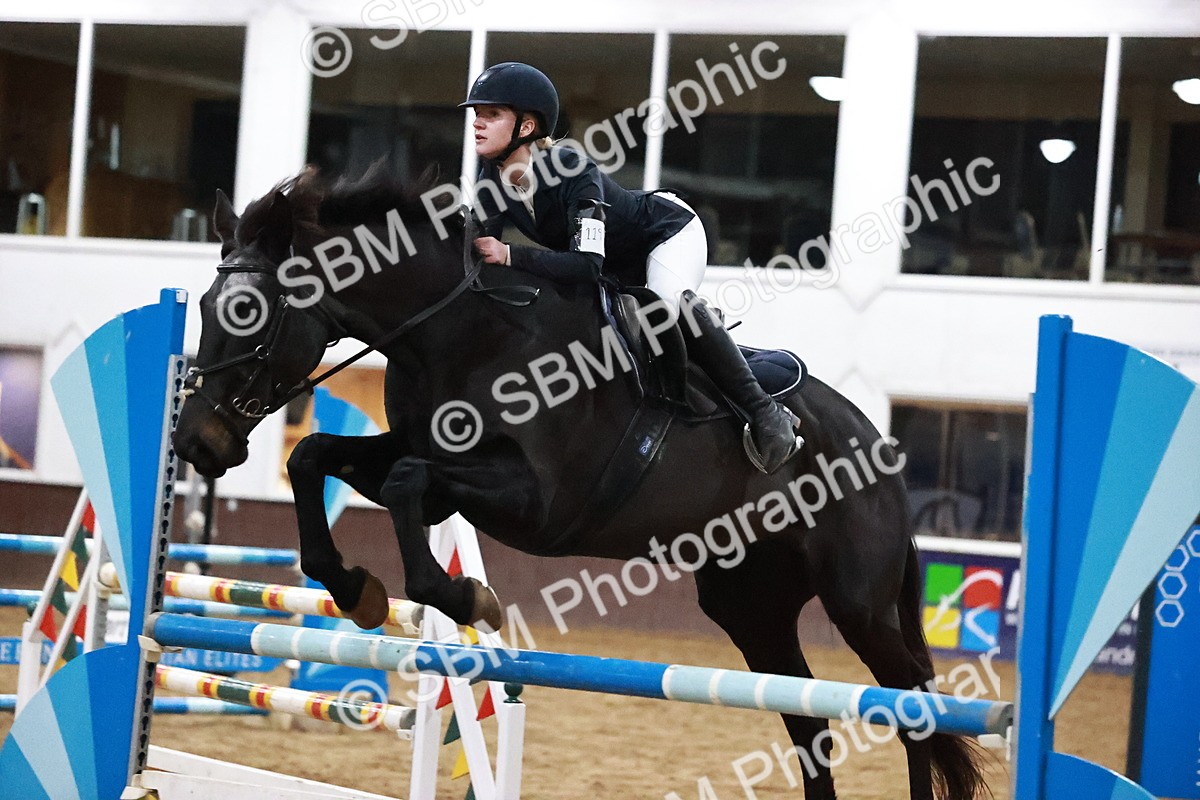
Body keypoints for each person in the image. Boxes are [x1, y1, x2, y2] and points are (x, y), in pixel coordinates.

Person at [461, 62, 801, 473]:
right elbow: (479, 255)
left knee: (667, 309)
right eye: (476, 114)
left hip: (665, 233)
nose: (477, 123)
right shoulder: (490, 178)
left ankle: (769, 417)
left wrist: (513, 255)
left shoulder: (572, 169)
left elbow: (585, 265)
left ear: (527, 126)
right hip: (614, 263)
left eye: (491, 115)